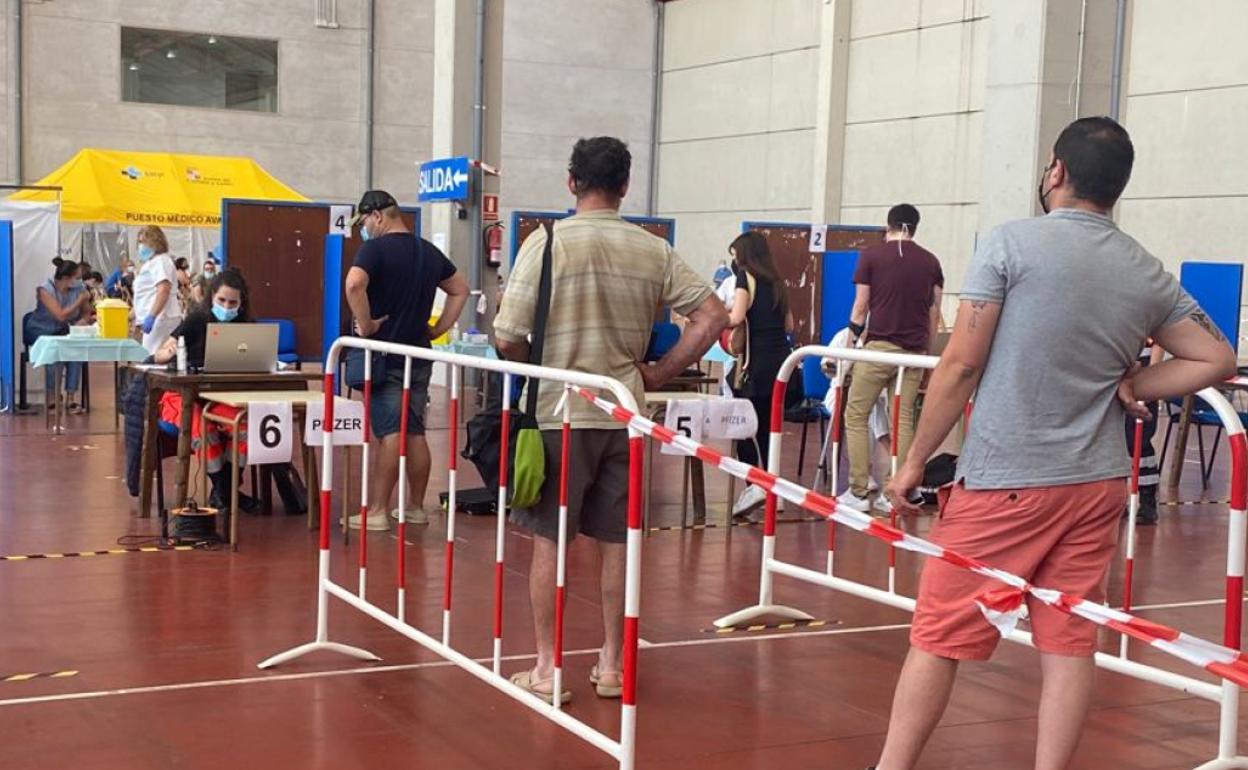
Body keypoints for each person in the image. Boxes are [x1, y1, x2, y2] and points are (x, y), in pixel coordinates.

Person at [869, 117, 1236, 770]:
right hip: (1096, 485)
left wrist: (913, 461)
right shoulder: (1144, 269)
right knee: (1068, 641)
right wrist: (1141, 382)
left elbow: (958, 364)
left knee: (939, 634)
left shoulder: (1008, 244)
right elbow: (1216, 355)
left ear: (1056, 172)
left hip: (1006, 480)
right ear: (1116, 188)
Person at [496, 136, 727, 704]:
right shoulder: (652, 249)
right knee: (617, 542)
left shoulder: (546, 241)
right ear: (625, 186)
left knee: (552, 539)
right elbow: (712, 314)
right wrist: (661, 370)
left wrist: (542, 369)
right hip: (626, 414)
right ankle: (612, 664)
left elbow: (506, 334)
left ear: (571, 182)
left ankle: (549, 669)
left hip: (561, 413)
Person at [343, 189, 469, 530]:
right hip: (419, 354)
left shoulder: (374, 249)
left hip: (385, 354)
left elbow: (354, 284)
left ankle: (378, 511)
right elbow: (460, 288)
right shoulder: (427, 251)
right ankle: (414, 506)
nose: (364, 229)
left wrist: (366, 325)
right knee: (414, 430)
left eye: (365, 221)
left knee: (389, 432)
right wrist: (437, 328)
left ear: (378, 216)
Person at [839, 204, 943, 515]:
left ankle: (858, 491)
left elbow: (861, 306)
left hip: (879, 348)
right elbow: (934, 314)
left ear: (889, 226)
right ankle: (894, 490)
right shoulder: (931, 262)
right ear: (915, 227)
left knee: (856, 414)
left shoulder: (871, 256)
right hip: (914, 353)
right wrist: (926, 352)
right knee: (903, 420)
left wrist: (849, 344)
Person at [149, 269, 260, 512]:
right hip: (182, 396)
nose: (227, 306)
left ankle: (223, 493)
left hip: (222, 397)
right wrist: (166, 353)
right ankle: (227, 494)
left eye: (233, 302)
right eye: (222, 301)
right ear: (212, 298)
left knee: (243, 426)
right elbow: (162, 351)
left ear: (241, 304)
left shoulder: (247, 327)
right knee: (202, 426)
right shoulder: (196, 320)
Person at [725, 231, 794, 517]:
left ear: (743, 255)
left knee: (744, 427)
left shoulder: (745, 277)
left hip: (754, 366)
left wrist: (720, 313)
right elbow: (789, 325)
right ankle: (774, 490)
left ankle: (754, 485)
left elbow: (736, 317)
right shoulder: (777, 282)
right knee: (769, 430)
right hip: (781, 364)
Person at [27, 258, 91, 414]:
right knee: (54, 354)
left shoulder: (78, 287)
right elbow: (61, 315)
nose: (78, 281)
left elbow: (87, 312)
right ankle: (52, 398)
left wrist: (81, 322)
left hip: (63, 331)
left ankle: (70, 398)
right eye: (75, 278)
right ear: (65, 278)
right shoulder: (44, 290)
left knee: (76, 352)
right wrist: (79, 300)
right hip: (41, 330)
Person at [131, 225, 183, 353]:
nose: (141, 246)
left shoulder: (161, 261)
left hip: (161, 318)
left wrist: (151, 317)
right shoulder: (151, 263)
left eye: (144, 242)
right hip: (157, 317)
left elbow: (163, 290)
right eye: (139, 242)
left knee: (152, 358)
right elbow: (146, 294)